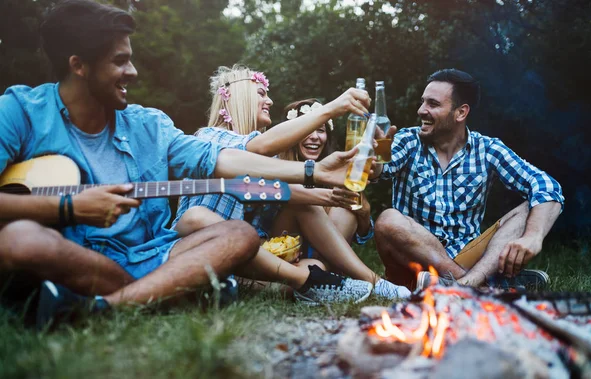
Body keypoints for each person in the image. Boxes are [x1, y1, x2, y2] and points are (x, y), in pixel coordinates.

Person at [0, 0, 370, 328]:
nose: (133, 72)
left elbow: (221, 160)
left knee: (238, 235)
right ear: (78, 66)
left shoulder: (149, 124)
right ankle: (174, 290)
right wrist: (67, 206)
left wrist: (312, 172)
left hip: (150, 255)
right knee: (18, 239)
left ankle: (104, 306)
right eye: (119, 61)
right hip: (72, 255)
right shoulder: (19, 111)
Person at [173, 65, 411, 302]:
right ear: (239, 97)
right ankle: (363, 283)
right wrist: (332, 109)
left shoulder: (268, 156)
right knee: (203, 217)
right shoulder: (210, 137)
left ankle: (358, 283)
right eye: (261, 94)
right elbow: (260, 148)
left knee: (313, 259)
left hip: (247, 248)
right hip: (201, 242)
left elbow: (281, 192)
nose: (270, 101)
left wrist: (354, 174)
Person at [373, 69, 564, 290]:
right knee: (388, 220)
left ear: (460, 113)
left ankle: (461, 285)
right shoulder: (408, 140)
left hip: (469, 258)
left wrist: (533, 237)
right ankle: (485, 286)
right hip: (413, 258)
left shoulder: (487, 148)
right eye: (423, 102)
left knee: (531, 207)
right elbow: (379, 170)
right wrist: (376, 154)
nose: (421, 110)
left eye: (432, 104)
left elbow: (547, 186)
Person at [279, 98, 374, 247]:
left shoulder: (335, 169)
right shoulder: (274, 164)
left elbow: (362, 237)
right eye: (307, 129)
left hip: (323, 252)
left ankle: (323, 268)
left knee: (345, 211)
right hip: (282, 247)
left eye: (321, 130)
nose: (315, 137)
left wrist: (364, 212)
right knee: (306, 202)